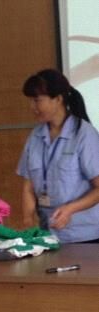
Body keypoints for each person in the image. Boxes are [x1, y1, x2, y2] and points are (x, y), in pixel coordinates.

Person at [17, 68, 99, 243]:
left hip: (85, 236)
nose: (32, 107)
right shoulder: (35, 136)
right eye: (31, 101)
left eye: (37, 100)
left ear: (58, 99)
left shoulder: (84, 135)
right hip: (48, 235)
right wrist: (28, 221)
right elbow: (28, 187)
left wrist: (70, 209)